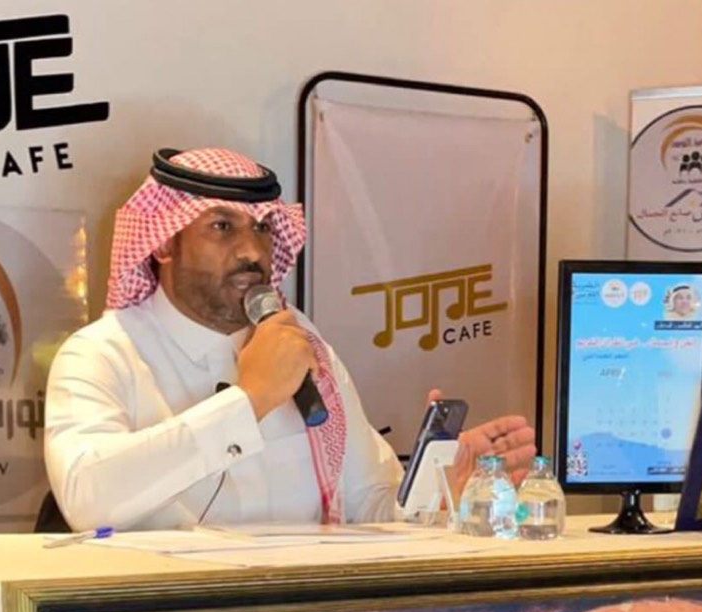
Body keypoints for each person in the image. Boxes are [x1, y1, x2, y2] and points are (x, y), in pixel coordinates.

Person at [44, 147, 536, 532]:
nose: (251, 251)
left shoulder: (303, 344)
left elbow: (368, 505)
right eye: (222, 227)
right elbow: (87, 500)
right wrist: (250, 400)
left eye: (262, 228)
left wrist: (446, 490)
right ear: (164, 243)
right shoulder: (103, 353)